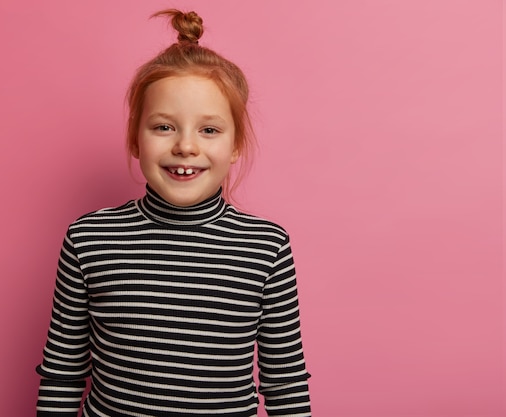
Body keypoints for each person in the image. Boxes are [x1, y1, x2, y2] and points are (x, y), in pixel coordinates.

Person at [36, 9, 311, 416]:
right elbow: (63, 369)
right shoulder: (89, 239)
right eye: (164, 127)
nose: (185, 146)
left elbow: (285, 380)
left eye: (209, 130)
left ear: (235, 145)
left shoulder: (266, 246)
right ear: (136, 139)